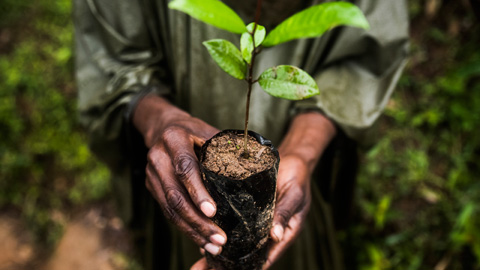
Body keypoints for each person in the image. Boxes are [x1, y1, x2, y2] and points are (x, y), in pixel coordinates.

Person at [73, 0, 409, 269]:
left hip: (291, 146)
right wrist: (159, 119)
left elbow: (366, 50)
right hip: (181, 120)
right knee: (189, 218)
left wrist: (304, 150)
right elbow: (112, 51)